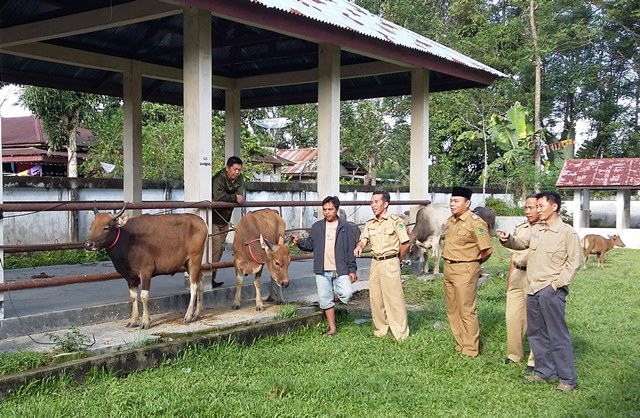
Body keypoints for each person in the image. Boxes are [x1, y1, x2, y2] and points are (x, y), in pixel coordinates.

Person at [497, 191, 581, 393]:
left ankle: (568, 379)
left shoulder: (567, 233)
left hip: (550, 290)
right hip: (532, 289)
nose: (538, 209)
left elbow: (574, 262)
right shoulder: (536, 230)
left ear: (554, 207)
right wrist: (507, 239)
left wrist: (557, 284)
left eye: (542, 206)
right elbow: (519, 243)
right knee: (537, 333)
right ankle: (544, 372)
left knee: (557, 334)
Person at [293, 196, 358, 336]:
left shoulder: (345, 227)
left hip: (341, 269)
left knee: (347, 294)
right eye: (325, 210)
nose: (327, 212)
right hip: (322, 270)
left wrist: (352, 270)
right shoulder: (317, 227)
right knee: (325, 300)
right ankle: (332, 328)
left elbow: (350, 250)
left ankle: (336, 296)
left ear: (337, 210)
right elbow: (311, 245)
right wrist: (299, 242)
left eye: (330, 209)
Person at [442, 186, 493, 357]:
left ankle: (471, 349)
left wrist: (473, 264)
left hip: (465, 268)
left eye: (456, 201)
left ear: (467, 203)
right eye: (451, 201)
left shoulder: (476, 222)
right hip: (448, 268)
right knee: (452, 309)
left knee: (466, 309)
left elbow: (486, 249)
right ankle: (460, 343)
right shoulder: (451, 221)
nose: (452, 204)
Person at [354, 191, 410, 341]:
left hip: (390, 261)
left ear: (385, 204)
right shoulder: (369, 223)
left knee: (394, 298)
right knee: (376, 298)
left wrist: (397, 258)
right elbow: (364, 239)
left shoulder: (394, 221)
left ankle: (400, 332)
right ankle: (381, 329)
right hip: (375, 263)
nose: (373, 205)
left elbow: (405, 243)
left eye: (376, 202)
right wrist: (360, 246)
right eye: (371, 202)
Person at [504, 195, 538, 371]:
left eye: (531, 207)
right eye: (526, 207)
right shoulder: (521, 228)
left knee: (535, 319)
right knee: (513, 317)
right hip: (518, 274)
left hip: (536, 276)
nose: (527, 211)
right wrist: (510, 279)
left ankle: (534, 360)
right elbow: (514, 256)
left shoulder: (546, 230)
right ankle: (514, 354)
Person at [210, 156, 245, 287]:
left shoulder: (239, 178)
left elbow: (241, 194)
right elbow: (218, 196)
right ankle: (207, 277)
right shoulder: (219, 178)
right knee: (216, 248)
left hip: (225, 219)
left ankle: (212, 277)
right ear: (227, 168)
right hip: (213, 218)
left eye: (239, 170)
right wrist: (234, 197)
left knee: (220, 249)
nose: (237, 172)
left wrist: (237, 197)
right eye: (235, 169)